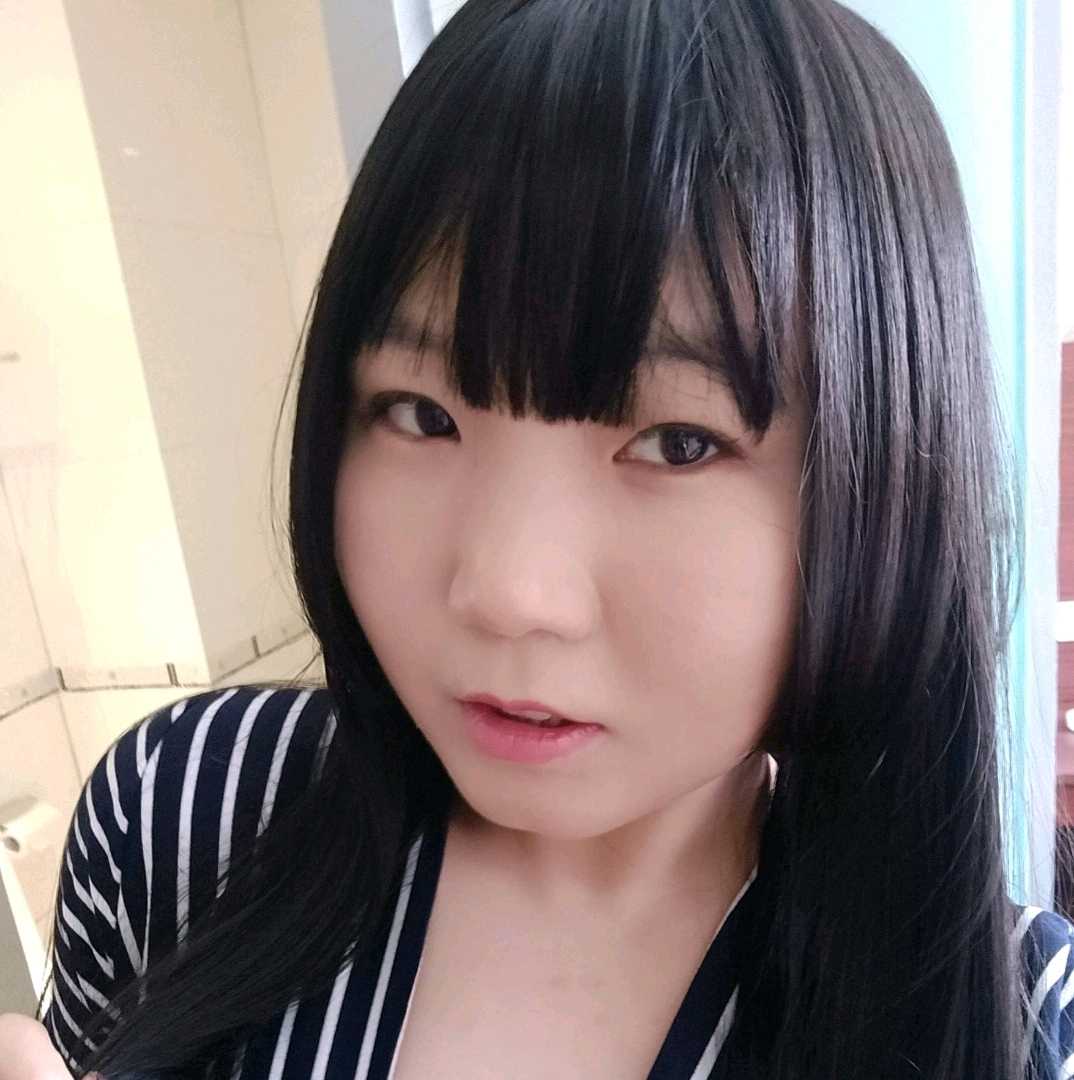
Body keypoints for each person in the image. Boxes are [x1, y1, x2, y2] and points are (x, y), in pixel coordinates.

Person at [3, 0, 1072, 1076]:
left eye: (678, 443)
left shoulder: (1017, 1023)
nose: (508, 591)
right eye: (421, 414)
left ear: (882, 486)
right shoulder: (184, 815)